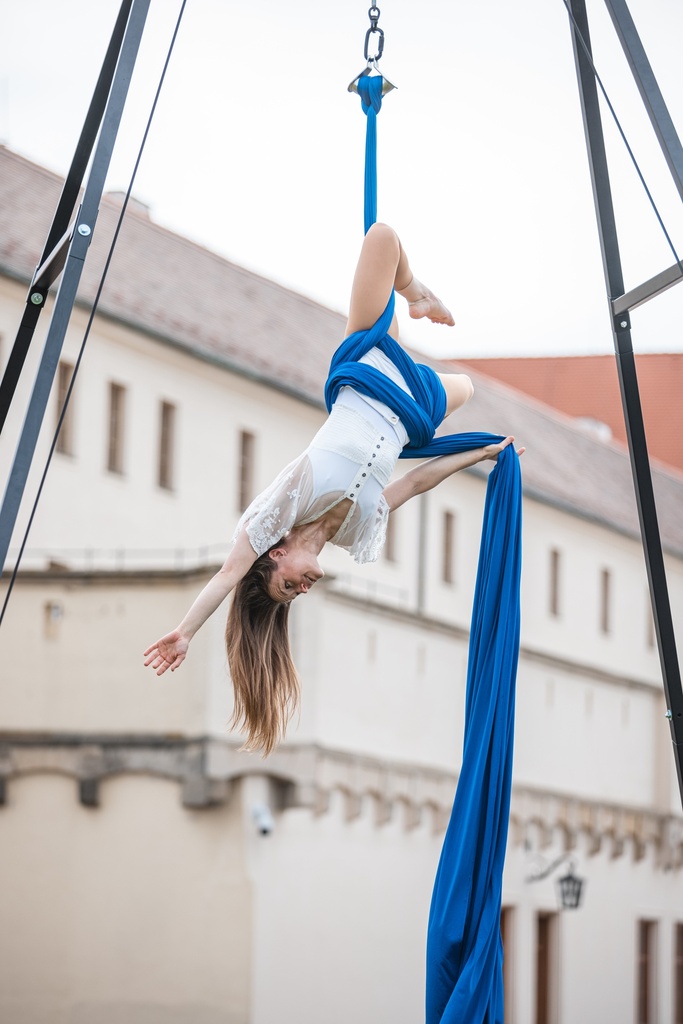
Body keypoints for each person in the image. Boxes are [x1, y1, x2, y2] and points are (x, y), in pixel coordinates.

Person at [143, 223, 520, 754]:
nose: (304, 589)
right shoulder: (356, 533)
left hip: (367, 368)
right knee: (469, 386)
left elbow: (229, 573)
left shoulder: (286, 504)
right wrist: (480, 455)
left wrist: (186, 631)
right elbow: (413, 482)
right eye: (298, 595)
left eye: (289, 586)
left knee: (383, 238)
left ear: (274, 553)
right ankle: (416, 311)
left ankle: (416, 294)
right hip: (416, 406)